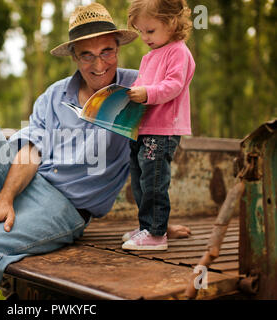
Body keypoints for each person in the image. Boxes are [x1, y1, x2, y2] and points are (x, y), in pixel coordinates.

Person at [0, 2, 190, 299]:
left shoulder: (139, 88)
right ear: (74, 56)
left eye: (106, 52)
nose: (98, 65)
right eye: (86, 55)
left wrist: (156, 224)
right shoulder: (54, 95)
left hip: (64, 206)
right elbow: (30, 148)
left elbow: (158, 148)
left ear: (117, 48)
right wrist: (4, 198)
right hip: (22, 180)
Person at [121, 0, 195, 251]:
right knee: (140, 179)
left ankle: (155, 234)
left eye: (150, 31)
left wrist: (146, 93)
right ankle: (147, 226)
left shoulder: (178, 51)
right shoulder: (149, 56)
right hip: (143, 128)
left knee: (154, 181)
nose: (144, 37)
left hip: (162, 131)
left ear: (172, 22)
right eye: (140, 31)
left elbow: (173, 86)